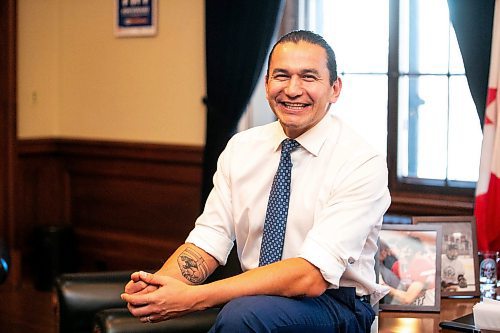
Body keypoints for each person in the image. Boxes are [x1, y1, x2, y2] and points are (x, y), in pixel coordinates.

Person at [121, 30, 391, 333]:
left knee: (243, 315)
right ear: (266, 84)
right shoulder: (241, 148)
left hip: (336, 303)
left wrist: (195, 298)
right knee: (246, 311)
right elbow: (208, 241)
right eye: (281, 76)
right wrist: (162, 286)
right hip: (254, 297)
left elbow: (311, 276)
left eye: (309, 77)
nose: (292, 89)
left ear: (335, 88)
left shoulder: (360, 160)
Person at [386, 236, 436, 306]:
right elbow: (398, 291)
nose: (402, 255)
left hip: (426, 309)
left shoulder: (424, 264)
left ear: (418, 252)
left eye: (407, 252)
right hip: (407, 309)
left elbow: (407, 298)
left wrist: (383, 287)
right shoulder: (397, 265)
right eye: (401, 251)